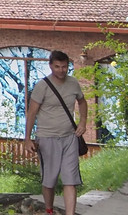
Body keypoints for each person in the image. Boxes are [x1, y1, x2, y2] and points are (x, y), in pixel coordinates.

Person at [23, 50, 88, 215]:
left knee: (70, 180)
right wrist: (27, 138)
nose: (61, 70)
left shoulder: (73, 83)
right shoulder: (42, 86)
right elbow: (31, 112)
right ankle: (49, 209)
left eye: (64, 66)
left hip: (69, 137)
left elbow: (82, 102)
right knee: (49, 180)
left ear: (68, 66)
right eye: (57, 66)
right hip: (47, 137)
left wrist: (82, 122)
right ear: (51, 66)